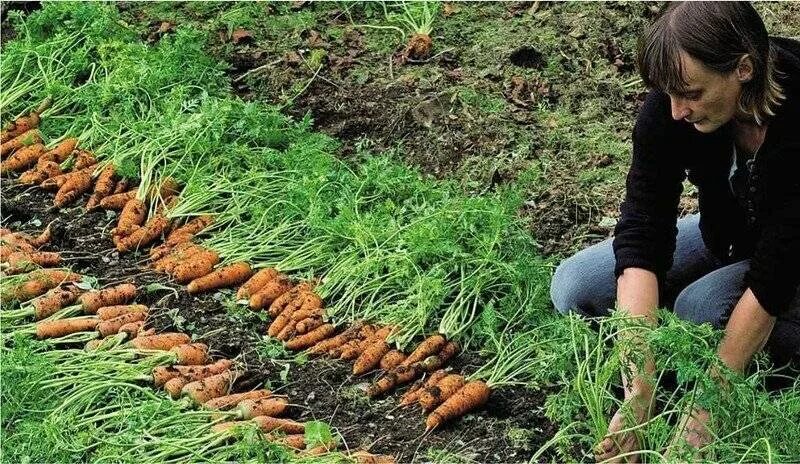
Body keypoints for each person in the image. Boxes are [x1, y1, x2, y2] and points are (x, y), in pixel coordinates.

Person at [549, 2, 800, 461]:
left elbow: (776, 273)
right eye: (667, 94)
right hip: (731, 234)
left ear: (743, 68)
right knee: (575, 286)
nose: (677, 110)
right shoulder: (672, 106)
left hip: (792, 256)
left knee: (699, 308)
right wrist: (638, 396)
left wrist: (708, 409)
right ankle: (691, 354)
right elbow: (644, 230)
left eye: (691, 94)